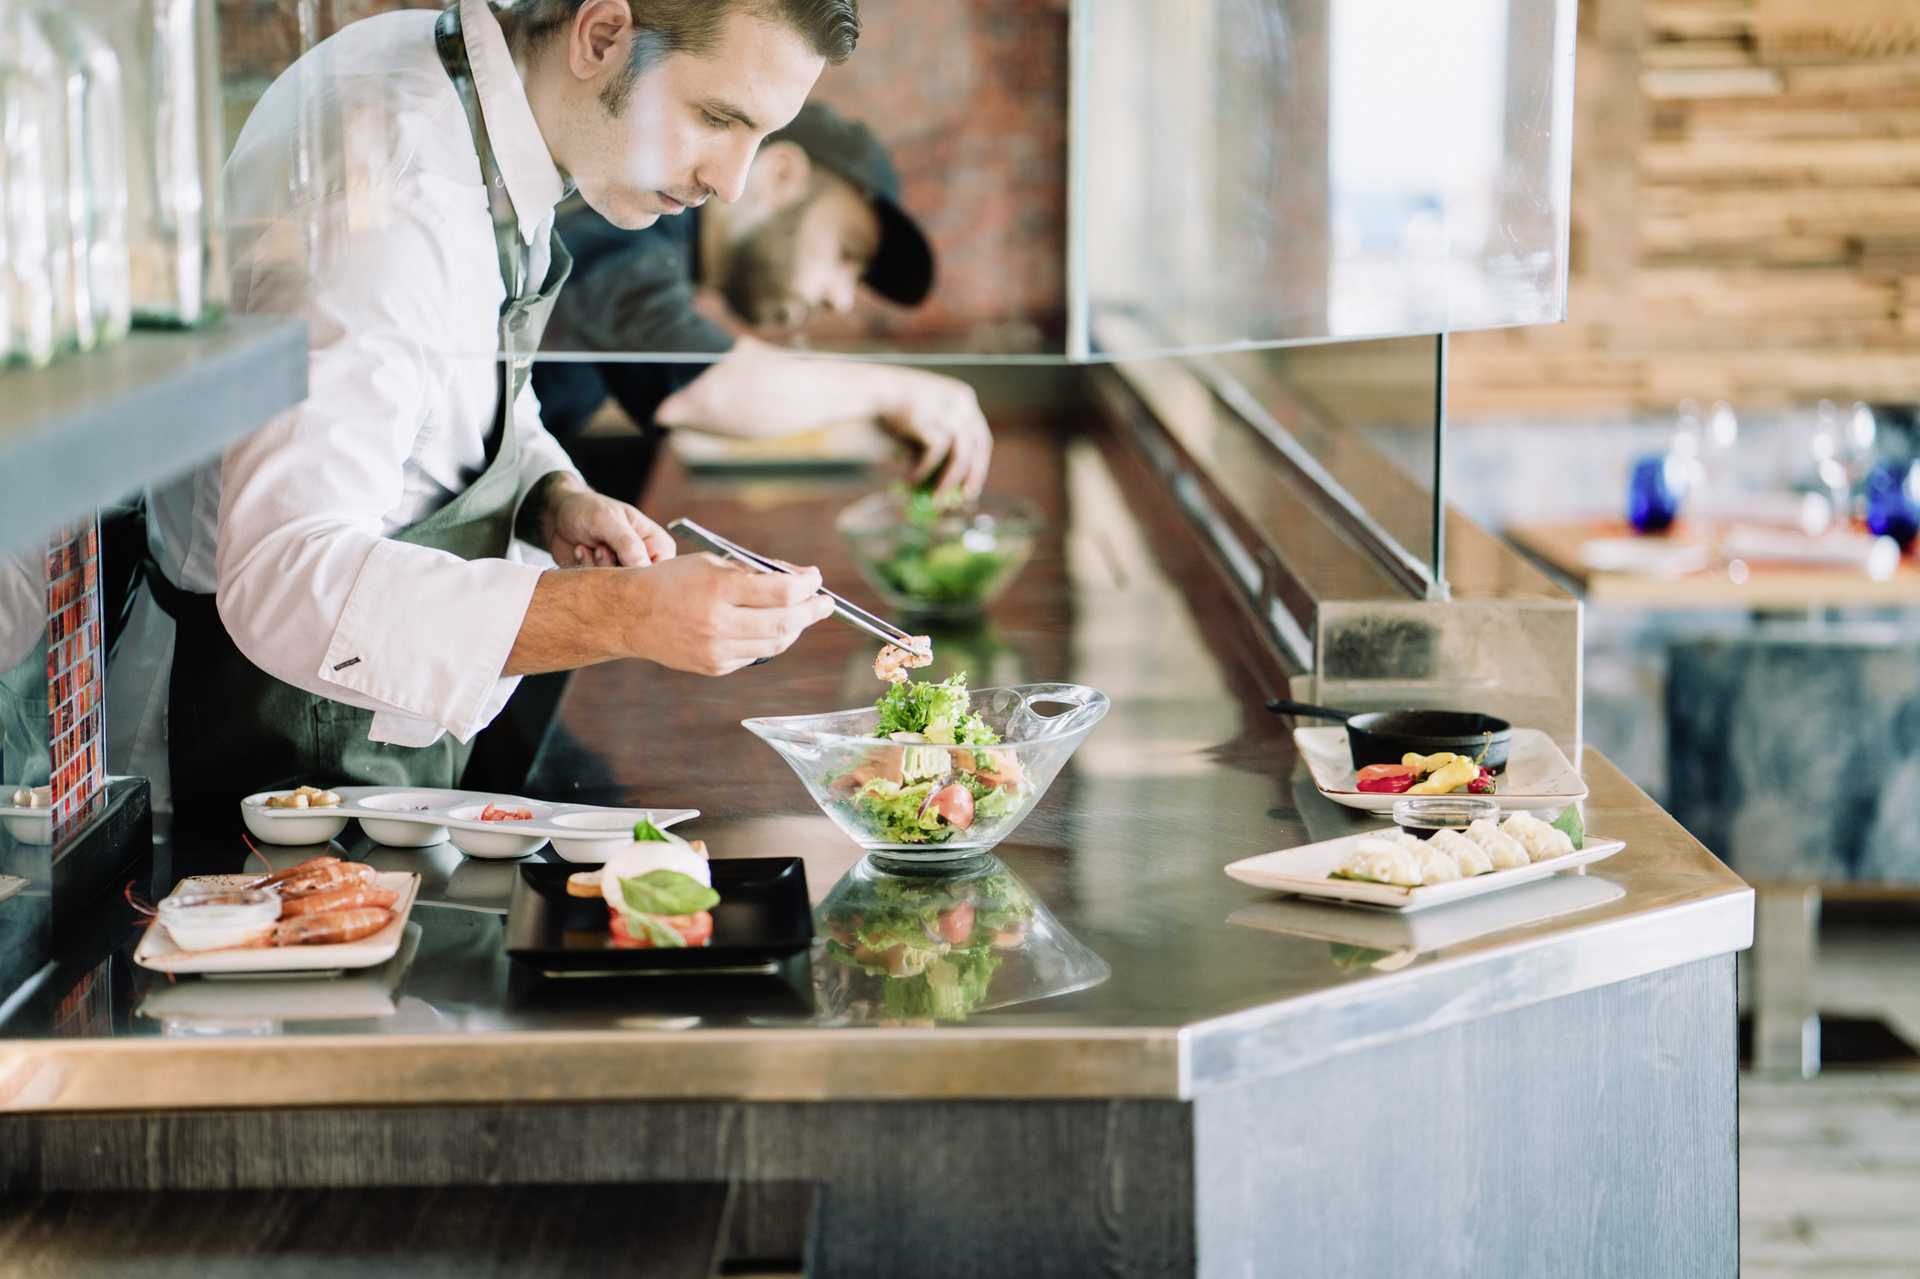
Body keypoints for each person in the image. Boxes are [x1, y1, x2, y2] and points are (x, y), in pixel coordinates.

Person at [135, 0, 862, 812]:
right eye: (716, 117)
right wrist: (624, 615)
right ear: (602, 35)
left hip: (372, 740)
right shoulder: (396, 192)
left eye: (760, 137)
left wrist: (551, 494)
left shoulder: (476, 102)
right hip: (280, 767)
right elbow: (284, 576)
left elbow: (444, 380)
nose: (730, 184)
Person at [534, 102, 991, 499]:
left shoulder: (663, 250)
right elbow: (704, 389)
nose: (842, 299)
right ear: (780, 176)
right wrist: (896, 392)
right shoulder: (628, 221)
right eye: (845, 254)